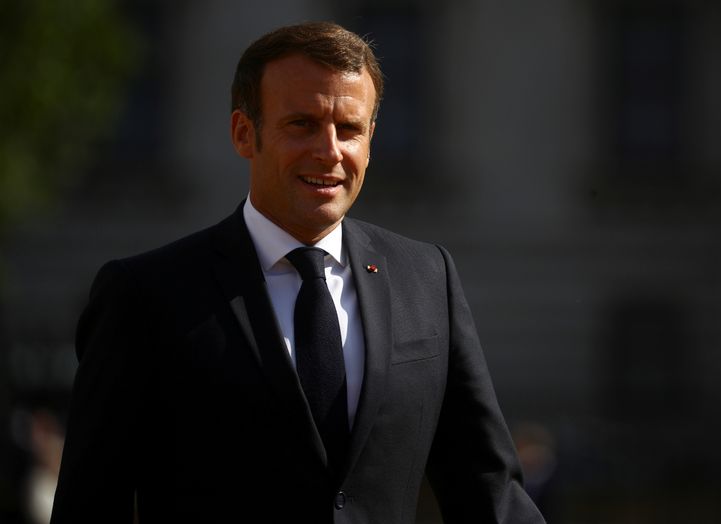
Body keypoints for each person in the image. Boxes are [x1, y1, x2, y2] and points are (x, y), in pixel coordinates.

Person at [51, 21, 545, 523]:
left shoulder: (427, 279)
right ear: (245, 133)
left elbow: (490, 493)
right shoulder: (144, 295)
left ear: (370, 140)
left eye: (349, 129)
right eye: (302, 124)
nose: (329, 151)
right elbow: (90, 504)